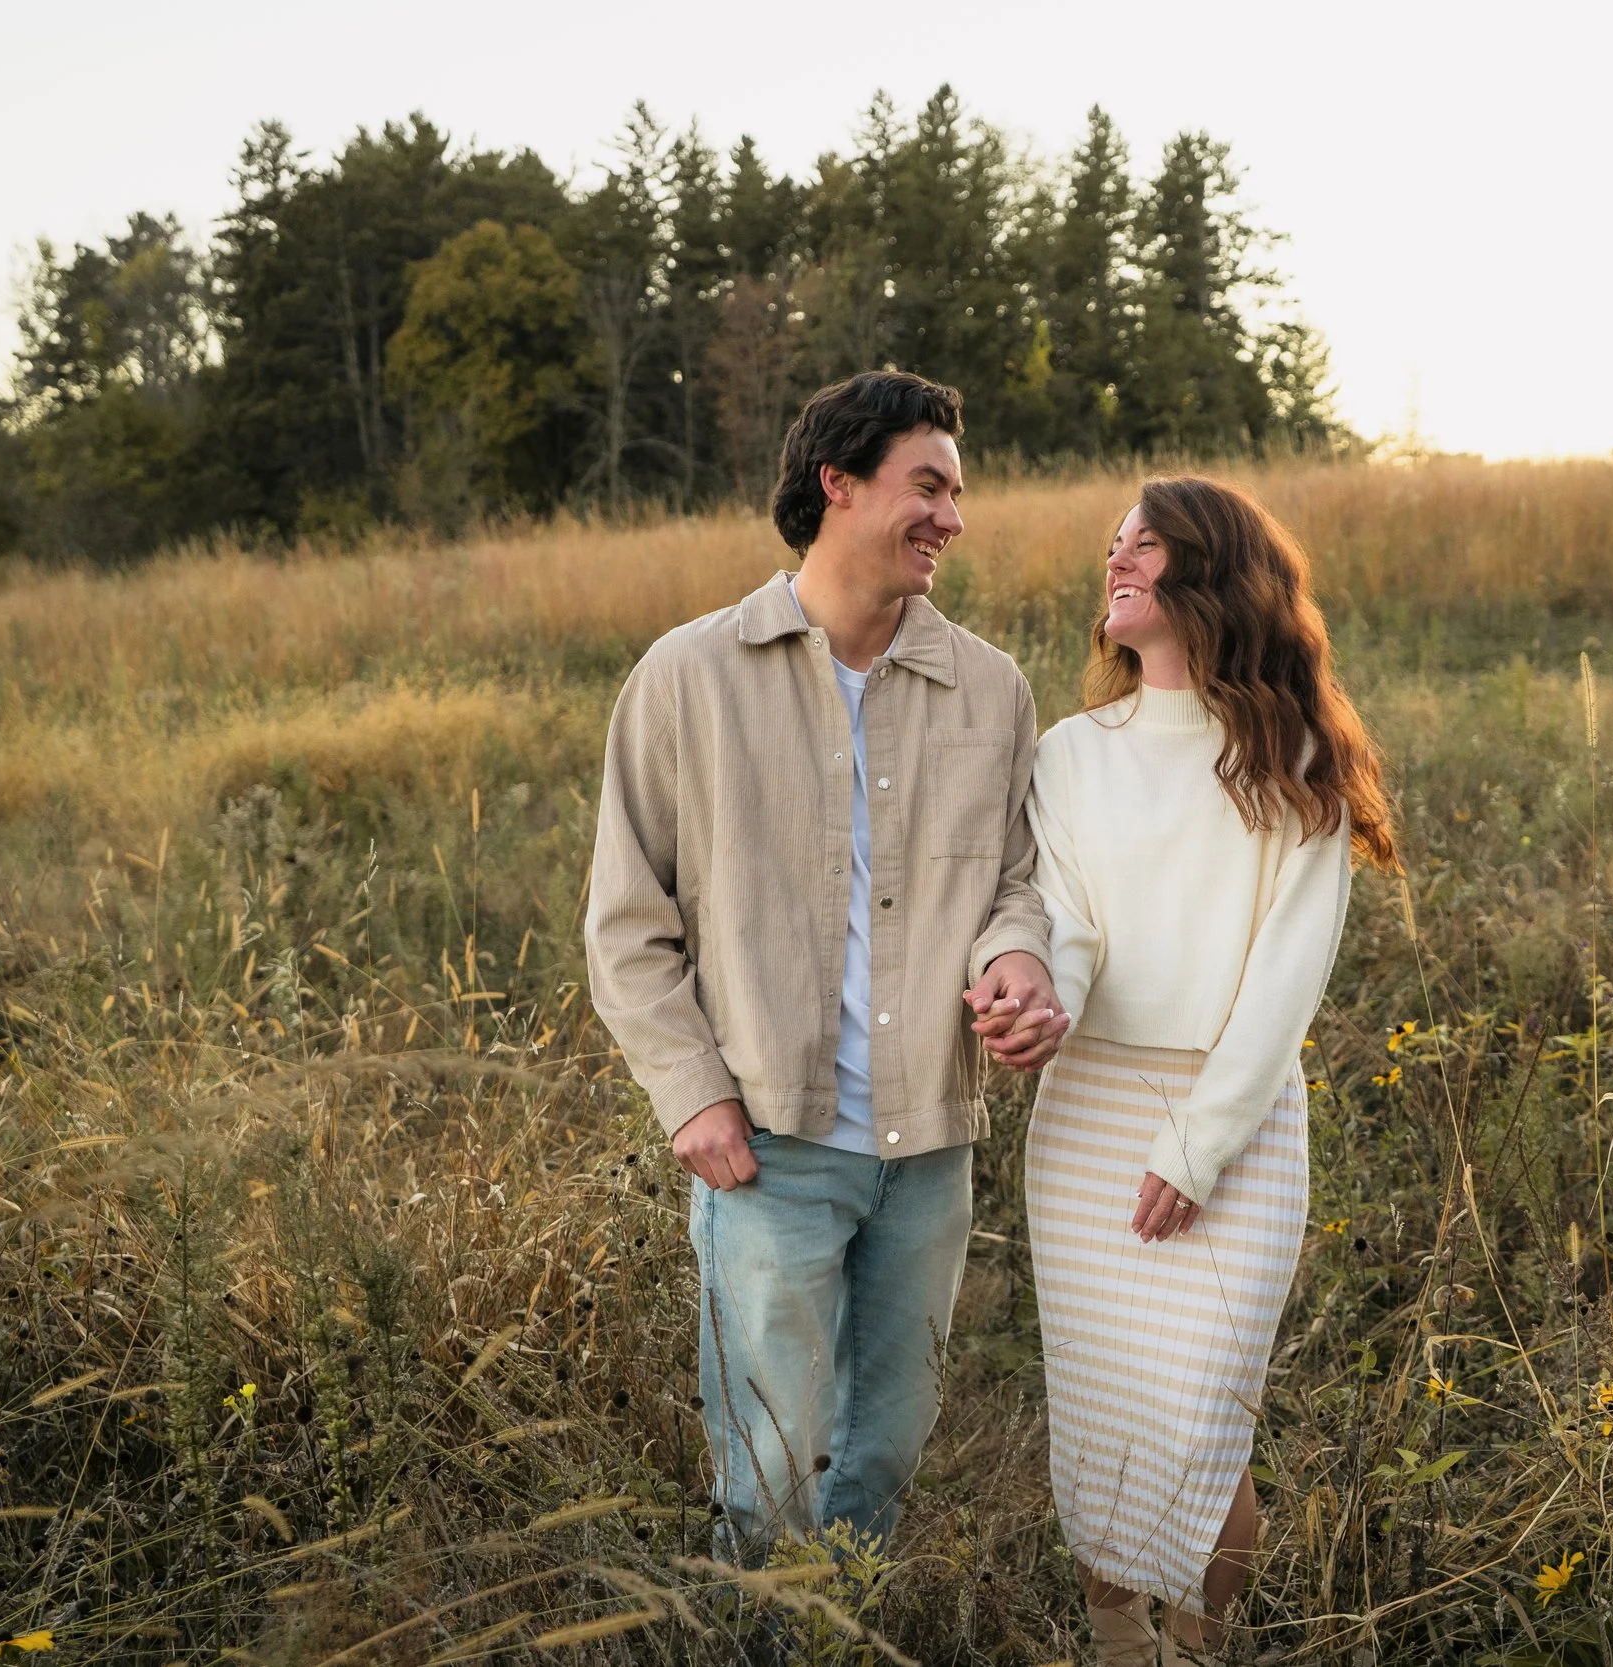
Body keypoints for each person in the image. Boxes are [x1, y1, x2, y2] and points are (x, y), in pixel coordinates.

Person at [583, 370, 1070, 1561]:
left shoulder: (991, 688)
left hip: (927, 1150)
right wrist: (691, 1089)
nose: (952, 517)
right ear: (836, 484)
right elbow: (624, 920)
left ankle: (842, 1626)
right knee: (769, 1471)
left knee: (886, 1451)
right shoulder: (686, 678)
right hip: (769, 1147)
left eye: (956, 493)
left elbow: (1018, 879)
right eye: (928, 485)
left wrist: (1016, 959)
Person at [1024, 477, 1398, 1664]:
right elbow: (1068, 919)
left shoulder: (1293, 757)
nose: (1117, 559)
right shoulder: (1070, 751)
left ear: (1212, 574)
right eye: (1112, 545)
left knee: (1195, 1421)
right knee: (1101, 1416)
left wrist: (1195, 1144)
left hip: (1232, 1118)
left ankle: (1198, 1648)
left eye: (1147, 542)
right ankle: (1116, 1640)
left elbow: (1283, 979)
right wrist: (1048, 999)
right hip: (1085, 1108)